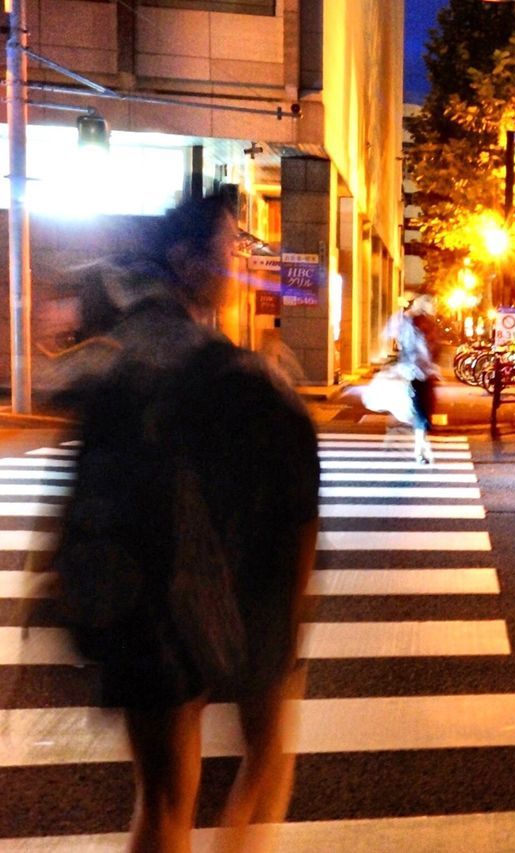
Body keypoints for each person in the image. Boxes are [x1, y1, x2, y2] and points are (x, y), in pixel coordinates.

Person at [51, 192, 320, 853]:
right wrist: (287, 617)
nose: (236, 261)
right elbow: (288, 504)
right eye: (229, 247)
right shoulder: (227, 372)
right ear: (187, 258)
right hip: (208, 594)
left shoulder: (123, 352)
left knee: (164, 800)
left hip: (131, 602)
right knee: (265, 753)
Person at [396, 299, 441, 465]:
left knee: (423, 412)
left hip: (423, 375)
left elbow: (431, 350)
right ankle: (420, 450)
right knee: (421, 413)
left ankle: (420, 446)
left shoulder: (421, 327)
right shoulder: (413, 327)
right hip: (416, 375)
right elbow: (413, 351)